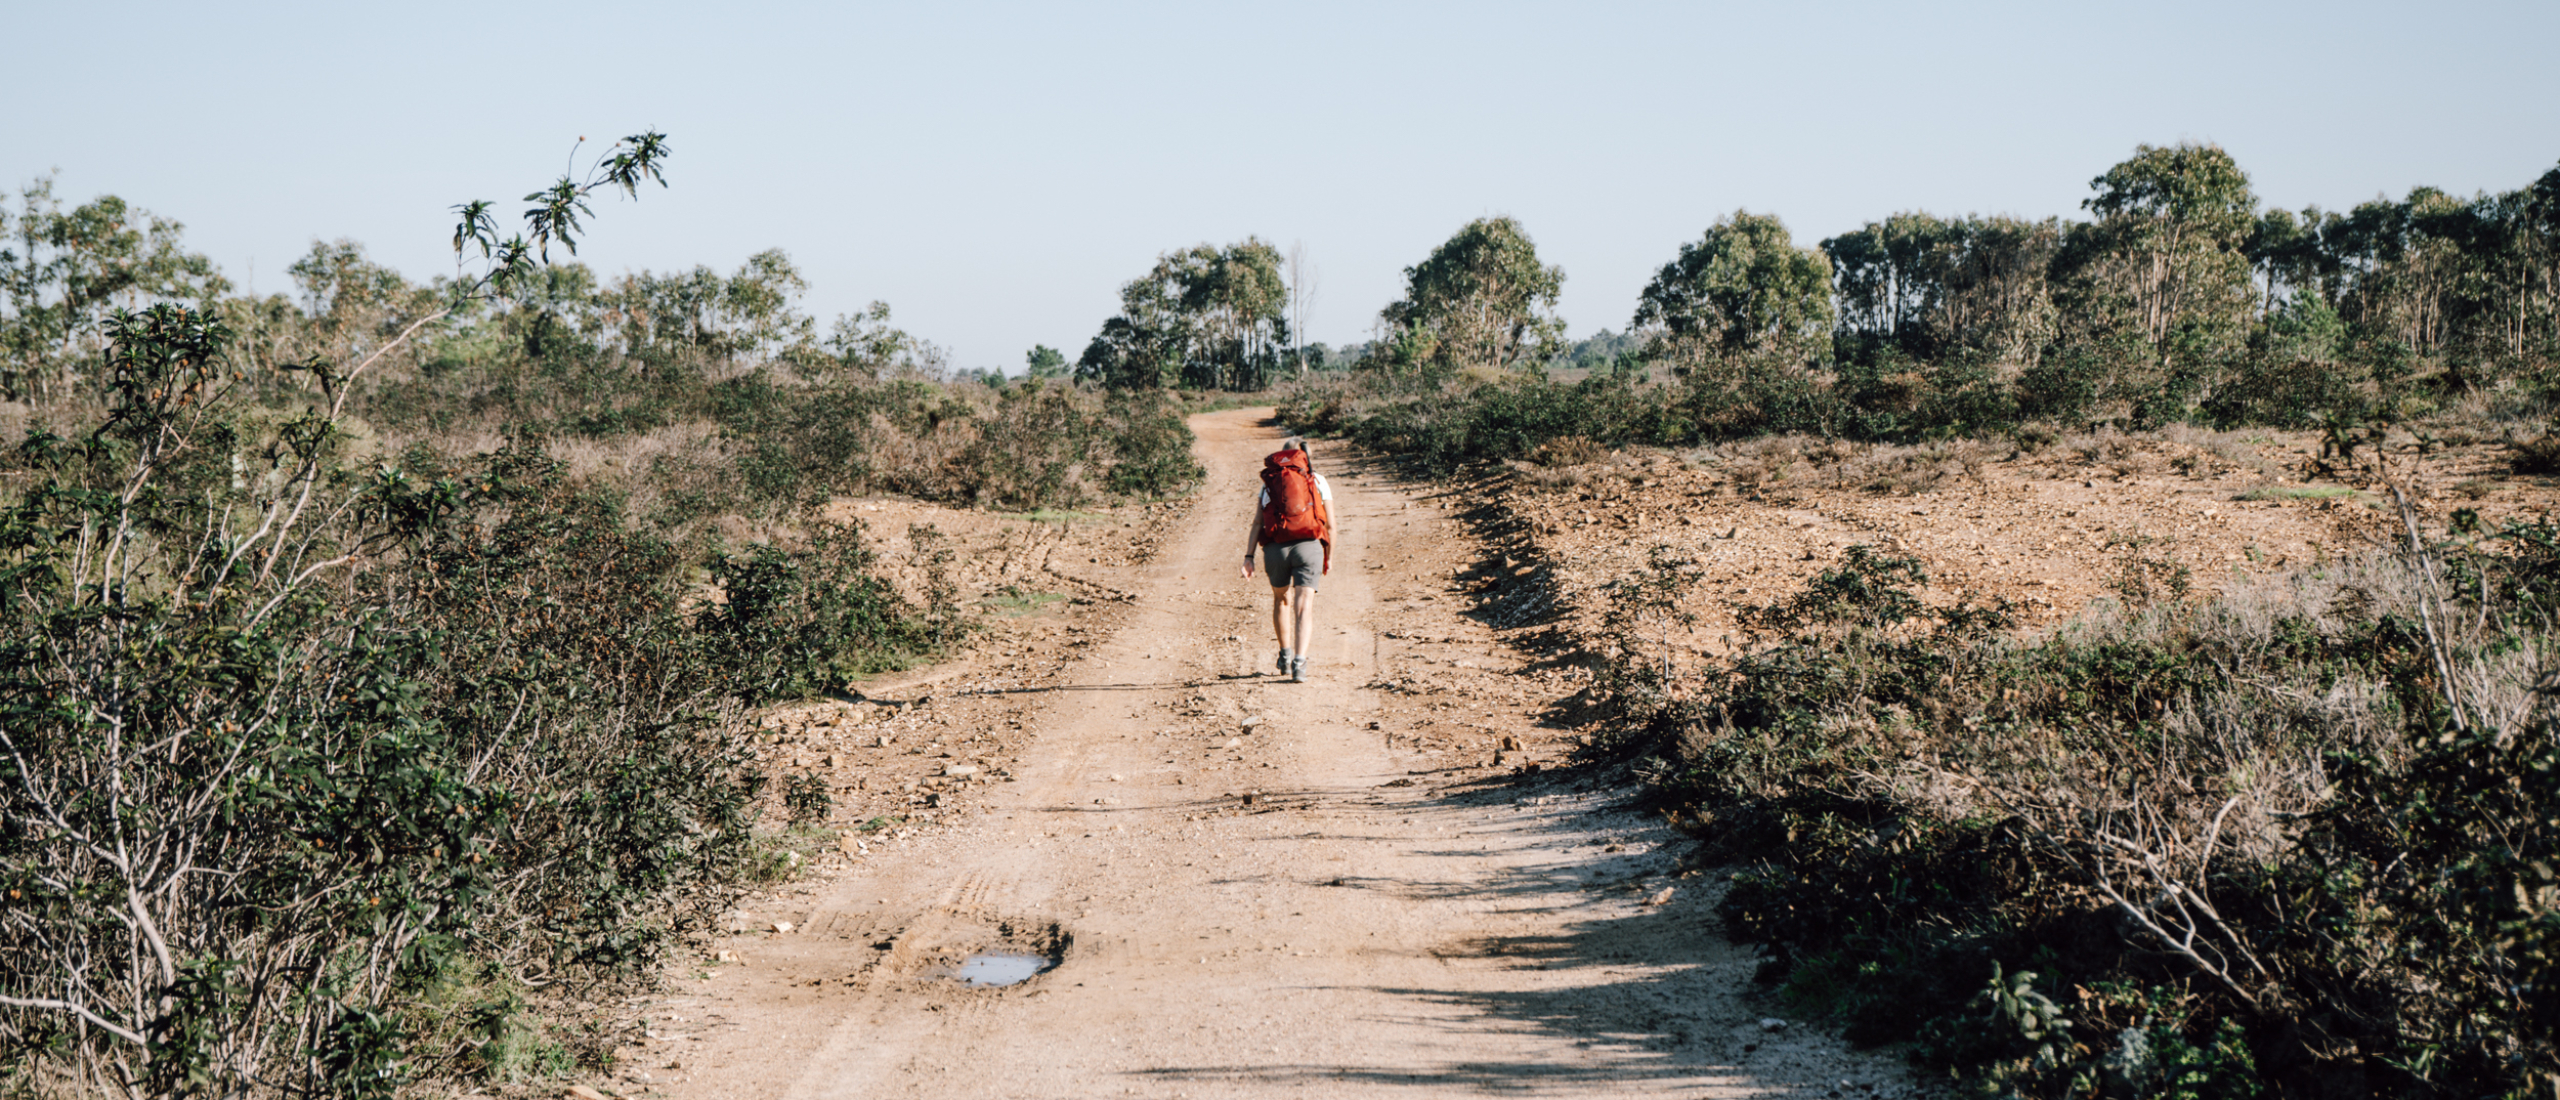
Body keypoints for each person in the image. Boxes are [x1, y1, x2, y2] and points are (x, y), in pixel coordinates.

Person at [1240, 438, 1332, 682]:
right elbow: (1330, 524)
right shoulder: (1318, 481)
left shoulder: (1270, 481)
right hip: (1309, 548)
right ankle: (1299, 663)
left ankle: (1285, 656)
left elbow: (1258, 522)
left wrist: (1249, 556)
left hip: (1275, 549)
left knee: (1281, 600)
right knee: (1304, 607)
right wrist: (1327, 556)